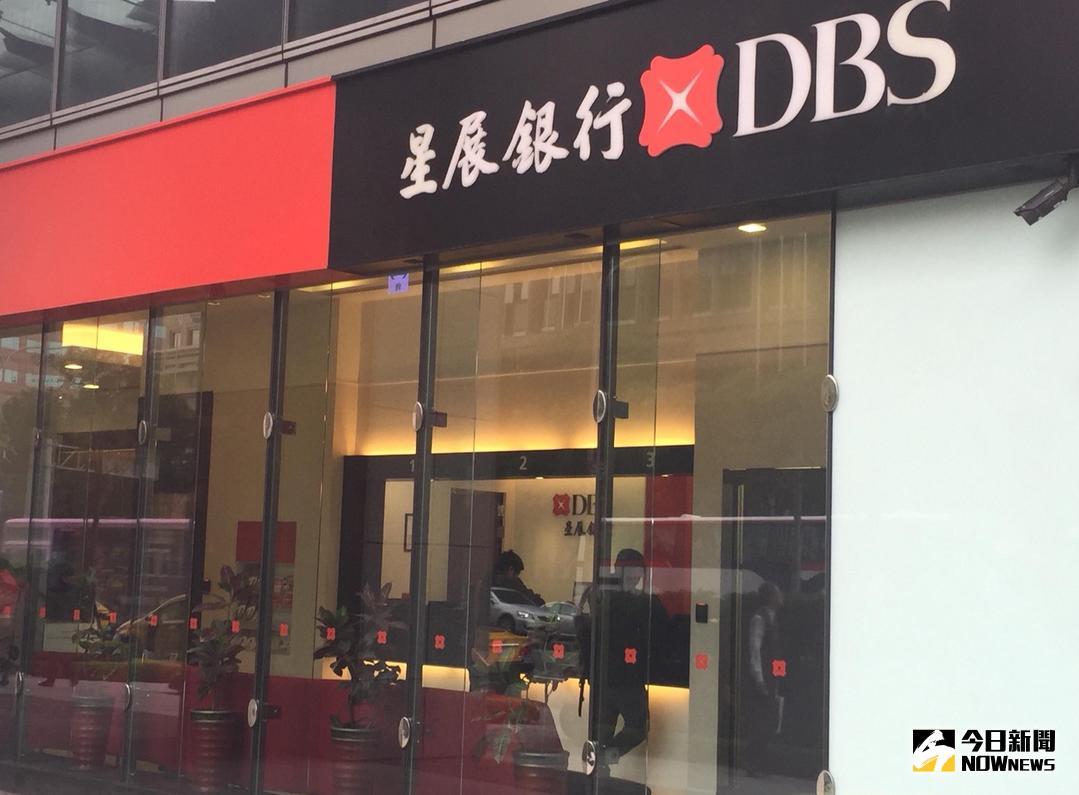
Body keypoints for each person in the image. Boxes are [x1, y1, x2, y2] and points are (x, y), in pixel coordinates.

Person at [593, 548, 668, 770]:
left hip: (603, 674)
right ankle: (604, 760)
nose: (638, 575)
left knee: (602, 732)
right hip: (627, 677)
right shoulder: (642, 602)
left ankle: (600, 767)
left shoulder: (602, 597)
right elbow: (661, 631)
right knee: (637, 726)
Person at [744, 581, 784, 777]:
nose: (781, 596)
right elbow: (755, 650)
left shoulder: (774, 619)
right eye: (777, 593)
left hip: (772, 676)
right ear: (770, 597)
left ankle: (759, 761)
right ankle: (752, 762)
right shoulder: (760, 619)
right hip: (763, 678)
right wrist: (759, 678)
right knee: (761, 721)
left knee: (769, 720)